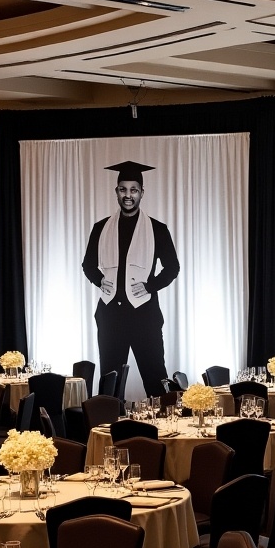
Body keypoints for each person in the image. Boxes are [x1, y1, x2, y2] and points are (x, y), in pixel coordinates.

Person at [81, 160, 180, 398]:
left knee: (156, 377)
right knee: (110, 383)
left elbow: (172, 267)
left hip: (145, 315)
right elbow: (87, 265)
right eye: (123, 189)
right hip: (110, 315)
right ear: (117, 192)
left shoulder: (158, 229)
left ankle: (164, 431)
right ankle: (109, 432)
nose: (128, 195)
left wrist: (150, 286)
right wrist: (99, 279)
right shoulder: (100, 228)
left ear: (141, 193)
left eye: (133, 190)